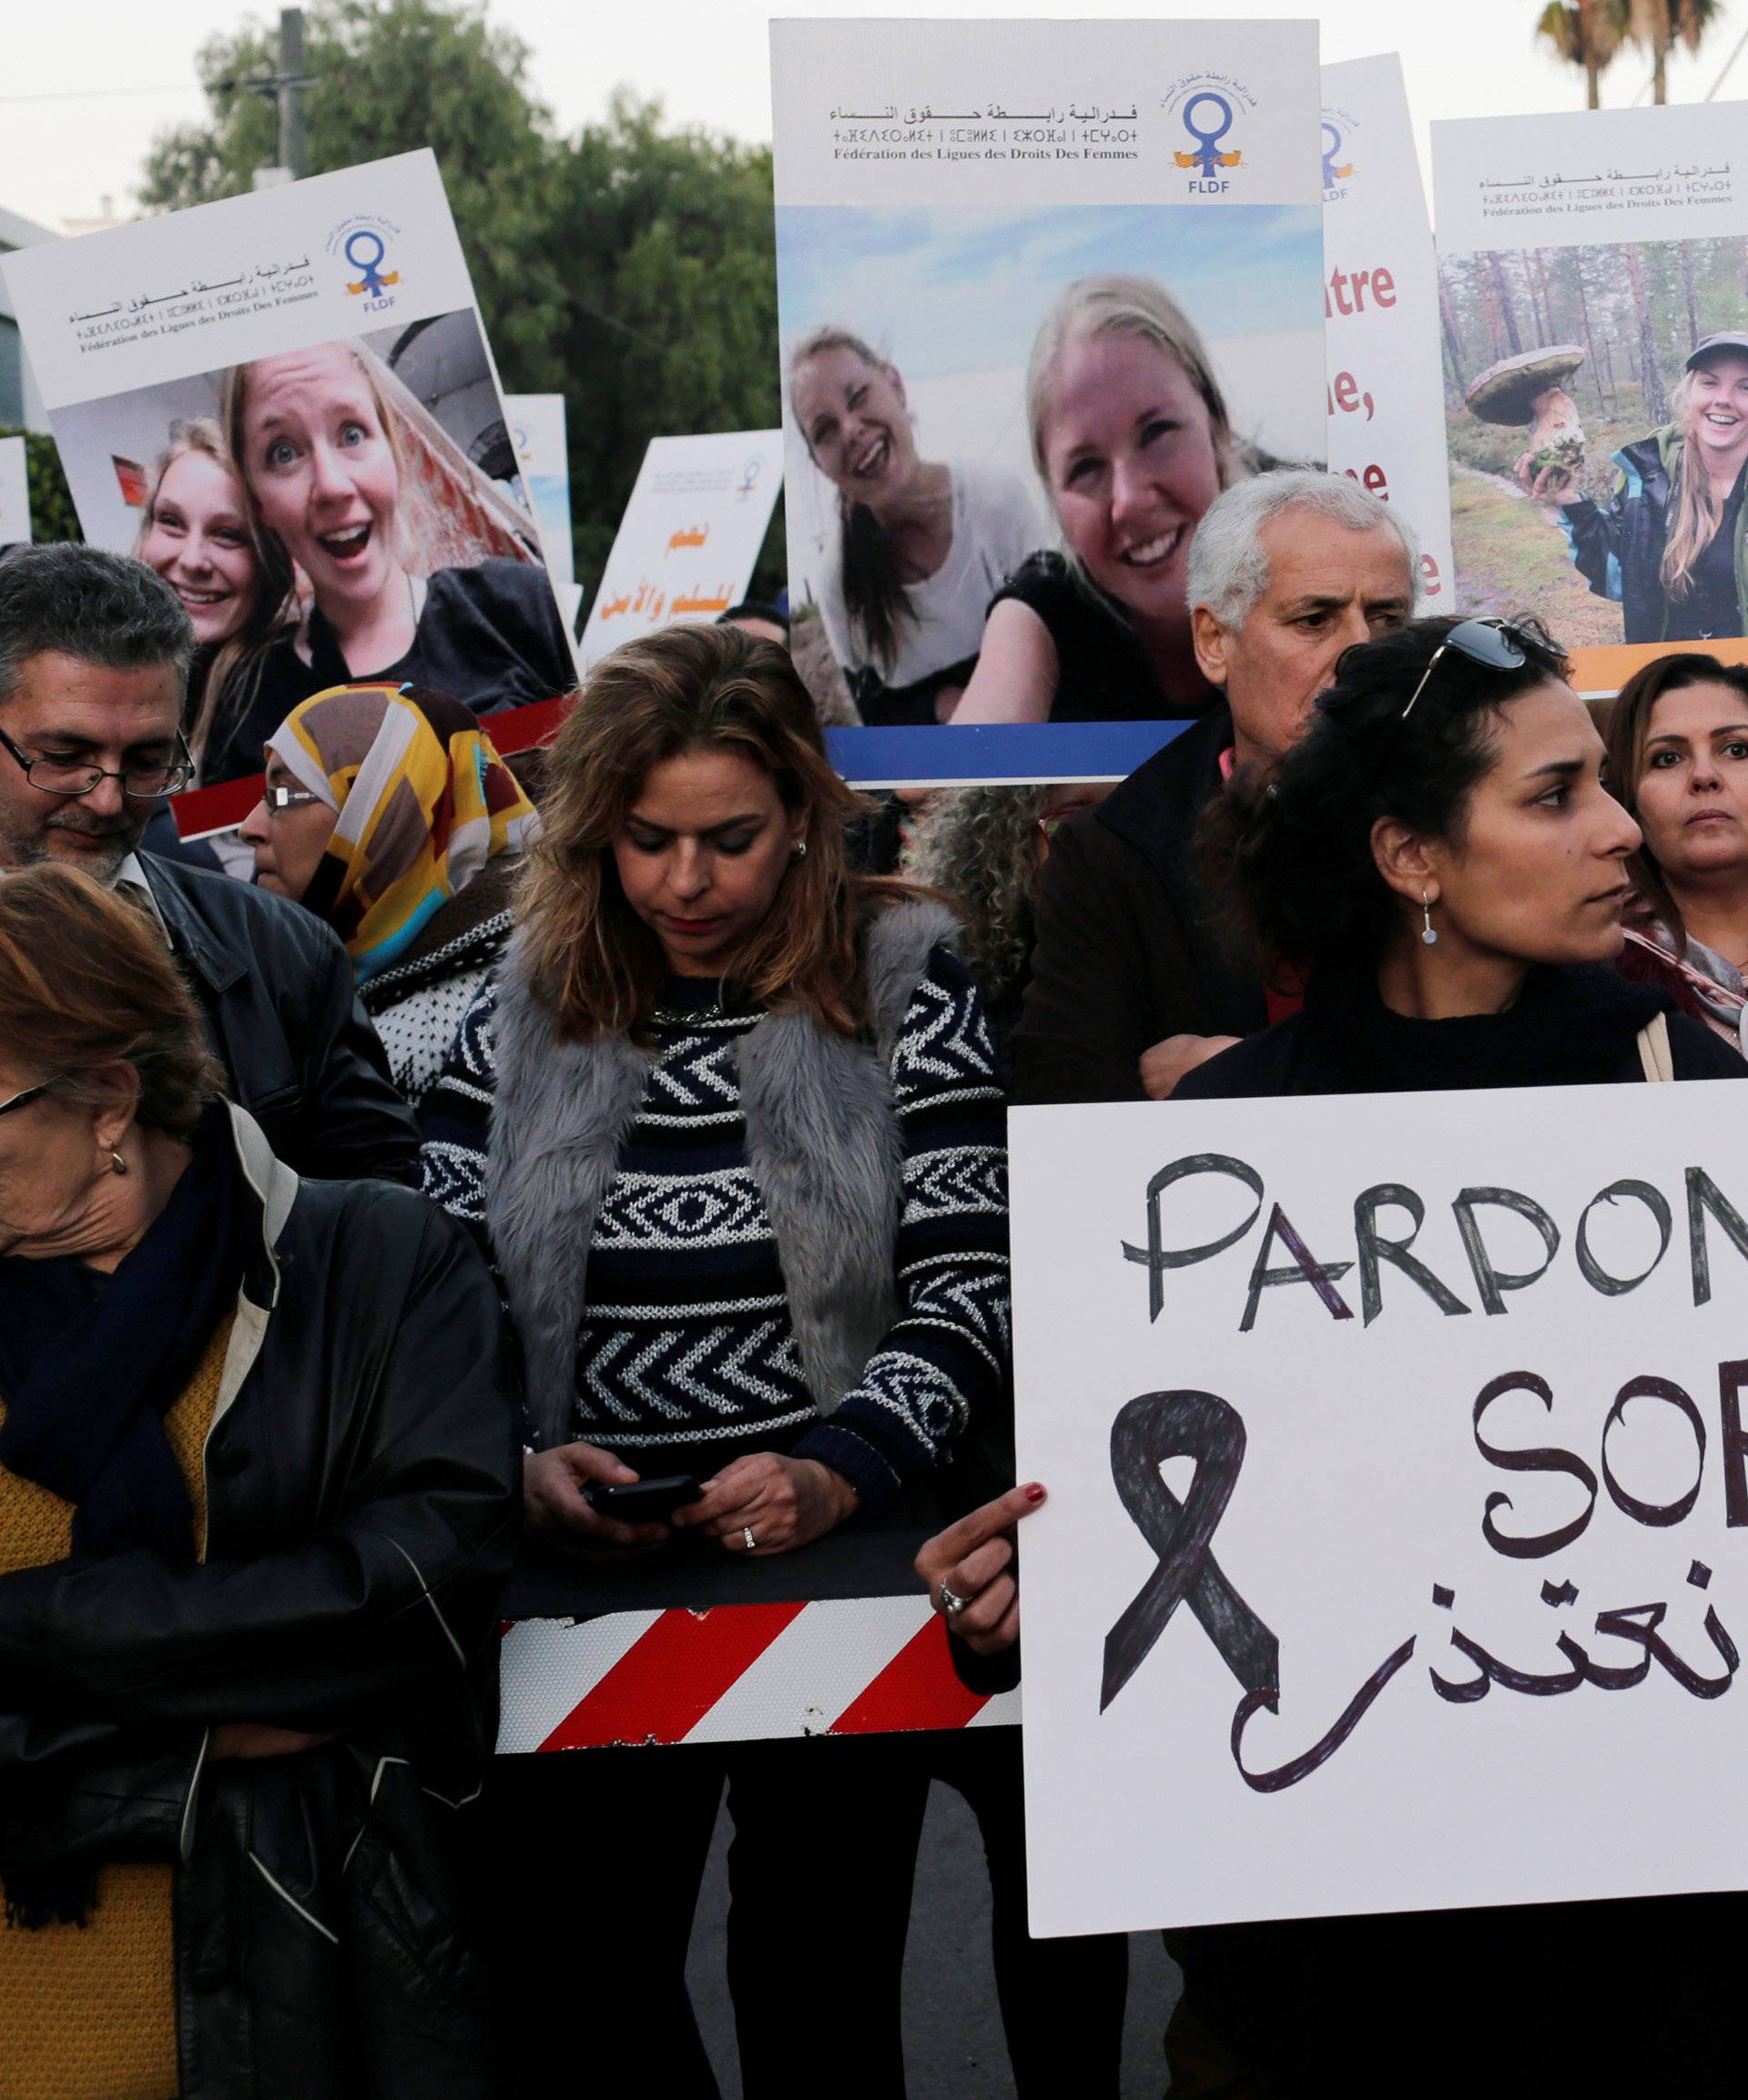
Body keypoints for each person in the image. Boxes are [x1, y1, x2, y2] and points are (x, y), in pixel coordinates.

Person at [923, 614, 1745, 2096]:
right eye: (1555, 793)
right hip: (1314, 1986)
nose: (1621, 823)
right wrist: (1032, 1588)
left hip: (1647, 1967)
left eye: (1597, 781)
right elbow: (1162, 1521)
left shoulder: (1681, 1085)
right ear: (1409, 858)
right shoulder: (1216, 1150)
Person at [419, 620, 1011, 2097]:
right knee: (588, 1993)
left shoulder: (909, 984)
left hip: (839, 1576)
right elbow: (431, 1305)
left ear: (805, 815)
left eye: (731, 839)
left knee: (817, 1997)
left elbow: (968, 1295)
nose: (687, 882)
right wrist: (513, 1462)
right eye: (646, 841)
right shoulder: (512, 1011)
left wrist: (832, 1468)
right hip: (575, 1588)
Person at [0, 861, 520, 2100]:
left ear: (111, 1098)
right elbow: (321, 1624)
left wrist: (28, 1630)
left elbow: (419, 1600)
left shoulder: (381, 1264)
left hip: (305, 1995)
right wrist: (206, 1736)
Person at [0, 544, 420, 1182]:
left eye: (146, 760)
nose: (109, 797)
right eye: (64, 755)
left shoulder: (284, 952)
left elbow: (377, 1215)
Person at [1011, 471, 1418, 1106]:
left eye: (1388, 619)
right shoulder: (1112, 855)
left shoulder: (1474, 813)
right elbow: (1062, 1121)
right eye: (1316, 618)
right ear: (1213, 642)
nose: (1361, 655)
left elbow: (1544, 1054)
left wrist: (1258, 1072)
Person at [218, 339, 575, 757]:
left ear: (392, 451)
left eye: (352, 434)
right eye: (283, 453)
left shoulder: (524, 605)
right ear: (258, 500)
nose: (332, 485)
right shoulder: (251, 708)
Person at [237, 680, 539, 1107]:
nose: (248, 827)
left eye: (283, 795)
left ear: (381, 813)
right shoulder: (329, 976)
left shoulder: (465, 1024)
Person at [951, 275, 1235, 726]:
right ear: (1054, 499)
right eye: (1085, 468)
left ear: (1216, 424)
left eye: (1157, 432)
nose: (1129, 501)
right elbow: (962, 778)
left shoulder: (1314, 531)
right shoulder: (1044, 613)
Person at [788, 326, 1042, 725]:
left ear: (896, 386)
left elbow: (1067, 658)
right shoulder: (837, 579)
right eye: (825, 431)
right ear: (819, 463)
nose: (851, 430)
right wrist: (940, 703)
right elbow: (878, 723)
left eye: (858, 397)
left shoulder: (996, 504)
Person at [1526, 333, 1748, 644]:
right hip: (1666, 676)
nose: (1723, 399)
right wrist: (1568, 499)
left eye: (1745, 387)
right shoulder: (1647, 474)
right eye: (1710, 383)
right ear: (1689, 393)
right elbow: (1615, 577)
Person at [131, 417, 295, 784]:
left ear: (271, 559)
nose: (191, 560)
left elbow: (263, 805)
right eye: (171, 522)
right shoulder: (125, 661)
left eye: (227, 534)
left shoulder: (272, 692)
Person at [1604, 651, 1748, 1050]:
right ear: (1628, 800)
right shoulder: (1593, 969)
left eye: (1736, 750)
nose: (1704, 776)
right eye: (1667, 758)